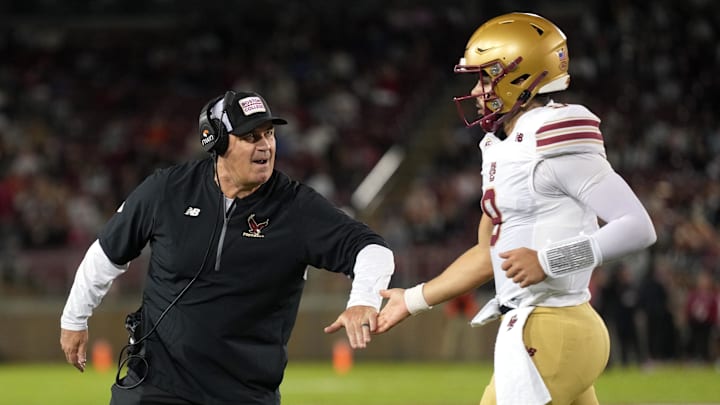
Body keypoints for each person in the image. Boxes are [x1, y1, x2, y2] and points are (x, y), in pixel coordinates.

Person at [376, 12, 656, 405]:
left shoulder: (550, 135)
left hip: (553, 326)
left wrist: (550, 260)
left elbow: (638, 226)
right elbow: (486, 254)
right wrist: (414, 299)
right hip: (544, 329)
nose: (476, 91)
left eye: (484, 77)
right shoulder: (503, 147)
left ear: (519, 77)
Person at [59, 90, 395, 405]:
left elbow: (372, 249)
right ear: (216, 141)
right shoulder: (167, 190)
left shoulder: (297, 208)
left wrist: (363, 300)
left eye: (269, 134)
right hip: (156, 383)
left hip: (243, 393)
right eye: (250, 137)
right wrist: (75, 318)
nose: (265, 146)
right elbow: (106, 254)